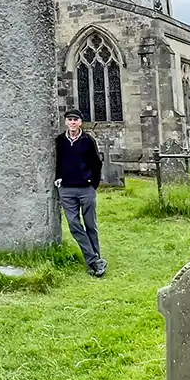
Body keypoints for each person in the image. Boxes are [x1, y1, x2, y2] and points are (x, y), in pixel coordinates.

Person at [54, 109, 107, 277]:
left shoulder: (88, 140)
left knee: (90, 225)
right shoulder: (60, 140)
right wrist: (59, 178)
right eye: (69, 120)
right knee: (74, 224)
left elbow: (97, 163)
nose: (72, 123)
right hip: (67, 189)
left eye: (75, 120)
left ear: (80, 122)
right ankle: (95, 261)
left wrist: (93, 184)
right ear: (66, 122)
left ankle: (95, 260)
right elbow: (57, 161)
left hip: (86, 189)